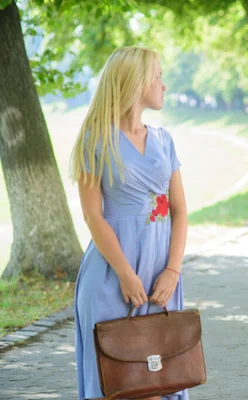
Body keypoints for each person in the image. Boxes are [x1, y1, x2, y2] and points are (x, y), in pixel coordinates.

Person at [70, 46, 188, 400]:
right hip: (111, 275)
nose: (164, 85)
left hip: (159, 278)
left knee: (160, 379)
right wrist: (124, 273)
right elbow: (92, 215)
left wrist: (173, 270)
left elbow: (180, 211)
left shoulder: (164, 141)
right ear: (137, 83)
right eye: (158, 76)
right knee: (120, 384)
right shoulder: (96, 139)